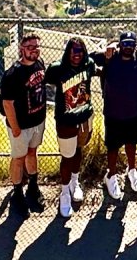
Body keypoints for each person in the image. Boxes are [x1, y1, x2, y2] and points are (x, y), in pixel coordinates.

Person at [90, 31, 137, 201]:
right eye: (125, 44)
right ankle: (110, 175)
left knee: (132, 143)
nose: (128, 47)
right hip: (113, 112)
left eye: (131, 44)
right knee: (113, 147)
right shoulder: (109, 57)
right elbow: (88, 58)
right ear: (119, 45)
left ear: (135, 45)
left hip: (134, 111)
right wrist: (106, 51)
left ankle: (131, 170)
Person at [44, 36, 97, 218]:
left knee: (78, 149)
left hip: (84, 116)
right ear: (68, 52)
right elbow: (45, 81)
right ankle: (65, 191)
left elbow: (99, 67)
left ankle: (75, 181)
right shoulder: (57, 69)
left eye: (80, 51)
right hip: (65, 119)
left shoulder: (88, 64)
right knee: (67, 156)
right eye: (74, 51)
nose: (77, 55)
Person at [0, 32, 46, 214]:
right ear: (22, 49)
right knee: (18, 158)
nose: (34, 50)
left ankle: (33, 187)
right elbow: (7, 103)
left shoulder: (40, 64)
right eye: (30, 47)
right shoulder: (13, 74)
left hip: (37, 121)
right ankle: (17, 193)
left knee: (32, 152)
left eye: (36, 47)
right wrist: (16, 128)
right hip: (21, 125)